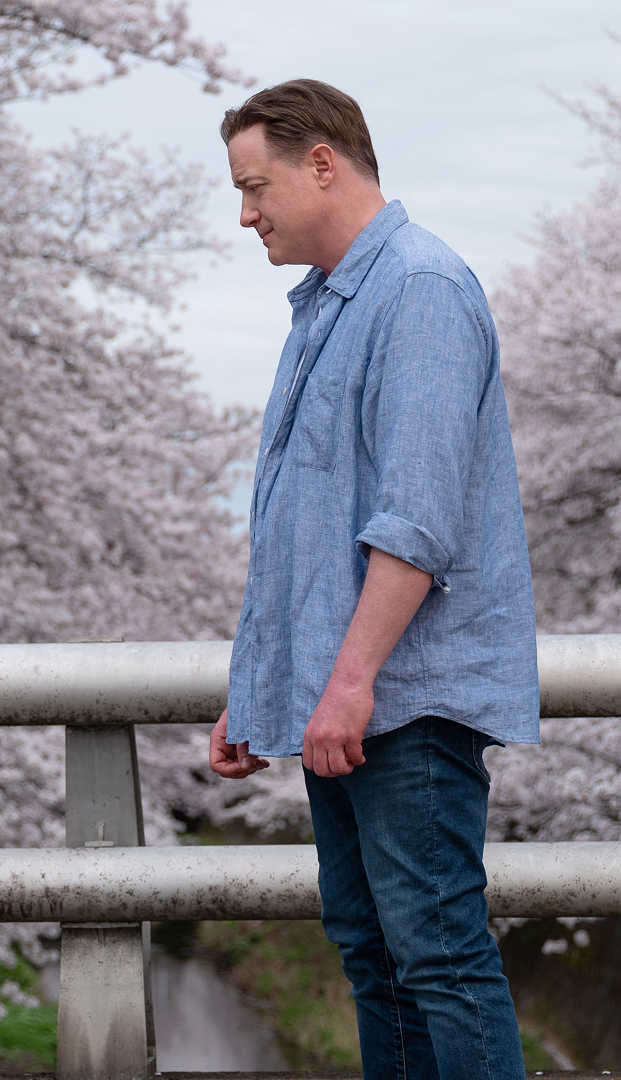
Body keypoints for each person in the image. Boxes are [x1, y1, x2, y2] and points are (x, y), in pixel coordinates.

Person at [207, 80, 539, 1080]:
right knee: (373, 954)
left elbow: (416, 521)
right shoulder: (331, 305)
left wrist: (348, 683)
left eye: (255, 185)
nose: (244, 213)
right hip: (343, 701)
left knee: (436, 952)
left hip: (403, 698)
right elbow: (297, 529)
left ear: (323, 164)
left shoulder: (421, 289)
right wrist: (253, 689)